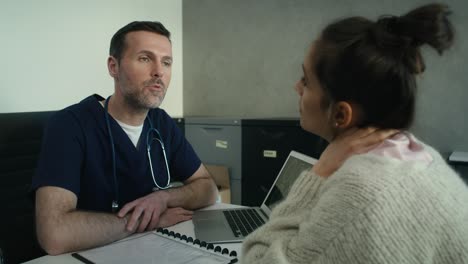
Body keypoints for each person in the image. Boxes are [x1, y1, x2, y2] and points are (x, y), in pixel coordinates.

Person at [242, 3, 468, 263]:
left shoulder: (359, 194)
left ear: (340, 115)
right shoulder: (425, 156)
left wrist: (319, 172)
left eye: (306, 80)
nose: (296, 87)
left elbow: (257, 260)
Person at [32, 21, 218, 255]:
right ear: (114, 66)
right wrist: (145, 221)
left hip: (152, 251)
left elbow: (208, 189)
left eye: (166, 62)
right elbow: (54, 235)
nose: (159, 71)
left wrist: (162, 199)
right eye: (145, 58)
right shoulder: (70, 125)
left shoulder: (161, 123)